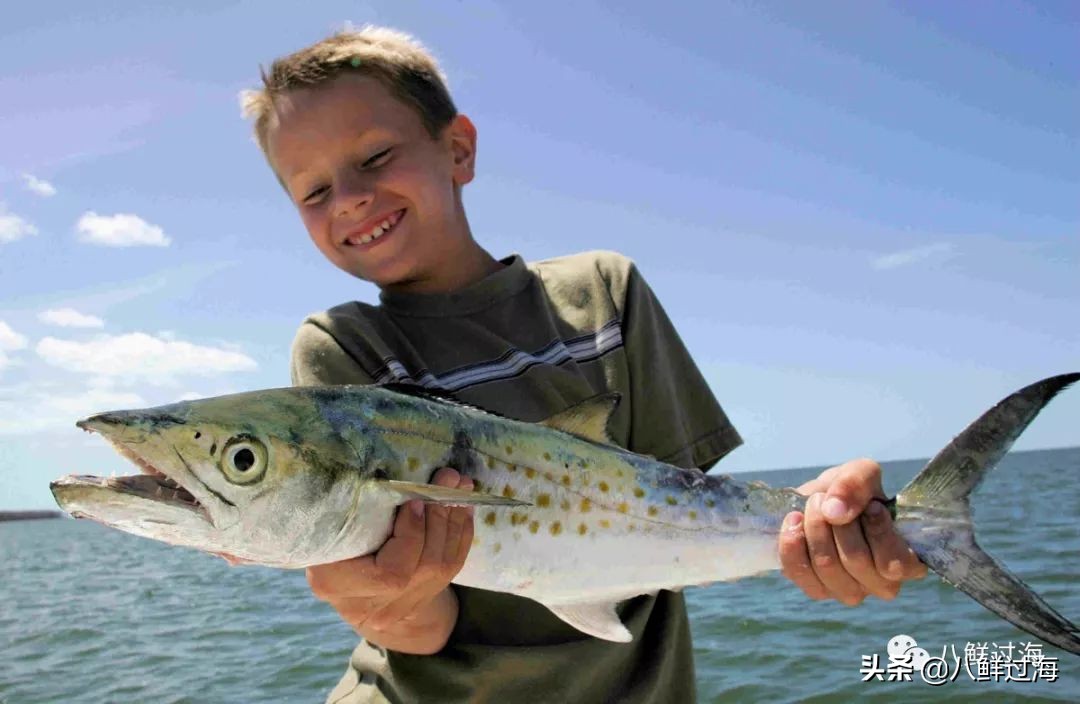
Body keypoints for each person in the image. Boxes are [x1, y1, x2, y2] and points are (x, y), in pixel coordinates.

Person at [241, 26, 926, 703]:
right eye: (314, 192)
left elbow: (679, 512)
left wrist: (821, 524)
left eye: (376, 155)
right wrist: (390, 605)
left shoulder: (602, 294)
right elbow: (421, 626)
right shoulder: (342, 347)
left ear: (458, 148)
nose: (351, 198)